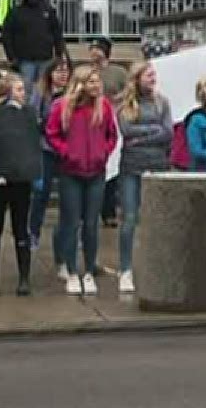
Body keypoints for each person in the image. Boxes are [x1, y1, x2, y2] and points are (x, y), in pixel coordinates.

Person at [46, 64, 119, 294]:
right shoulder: (62, 107)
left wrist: (103, 153)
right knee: (71, 222)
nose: (96, 86)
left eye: (98, 81)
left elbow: (112, 135)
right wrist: (67, 153)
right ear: (80, 84)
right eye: (91, 82)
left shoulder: (104, 107)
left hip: (96, 171)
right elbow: (52, 133)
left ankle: (89, 271)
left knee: (91, 224)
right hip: (70, 172)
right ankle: (71, 271)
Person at [114, 61, 172, 296]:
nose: (153, 78)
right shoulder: (126, 105)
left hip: (158, 166)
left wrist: (142, 136)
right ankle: (125, 268)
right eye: (148, 75)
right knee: (129, 218)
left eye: (153, 74)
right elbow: (127, 131)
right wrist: (153, 131)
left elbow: (167, 132)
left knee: (157, 219)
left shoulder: (162, 102)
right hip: (132, 168)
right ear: (137, 78)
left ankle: (156, 265)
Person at [0, 72, 40, 297]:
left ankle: (24, 278)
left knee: (20, 228)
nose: (23, 94)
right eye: (19, 90)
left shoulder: (27, 115)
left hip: (20, 178)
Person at [31, 58, 72, 279]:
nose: (63, 75)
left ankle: (64, 251)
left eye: (66, 71)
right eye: (59, 70)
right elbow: (35, 119)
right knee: (41, 191)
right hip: (46, 148)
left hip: (67, 150)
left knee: (68, 199)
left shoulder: (73, 95)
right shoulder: (42, 95)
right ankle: (33, 230)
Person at [88, 39, 128, 228]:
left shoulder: (118, 72)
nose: (94, 52)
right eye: (92, 49)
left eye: (97, 49)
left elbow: (129, 91)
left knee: (111, 169)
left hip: (113, 121)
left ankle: (109, 211)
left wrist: (116, 100)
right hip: (91, 123)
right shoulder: (86, 72)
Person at [2, 0, 65, 93]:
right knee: (26, 89)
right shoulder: (16, 12)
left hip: (45, 58)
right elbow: (7, 35)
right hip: (25, 59)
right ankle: (28, 109)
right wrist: (11, 57)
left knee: (45, 90)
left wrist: (59, 53)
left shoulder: (48, 10)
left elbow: (57, 32)